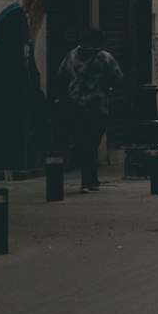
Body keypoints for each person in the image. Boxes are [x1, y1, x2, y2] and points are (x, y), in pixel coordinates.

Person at [56, 28, 123, 193]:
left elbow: (61, 77)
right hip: (97, 107)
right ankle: (89, 181)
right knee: (92, 143)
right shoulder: (105, 58)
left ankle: (90, 180)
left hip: (75, 107)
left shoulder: (71, 55)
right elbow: (119, 78)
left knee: (83, 142)